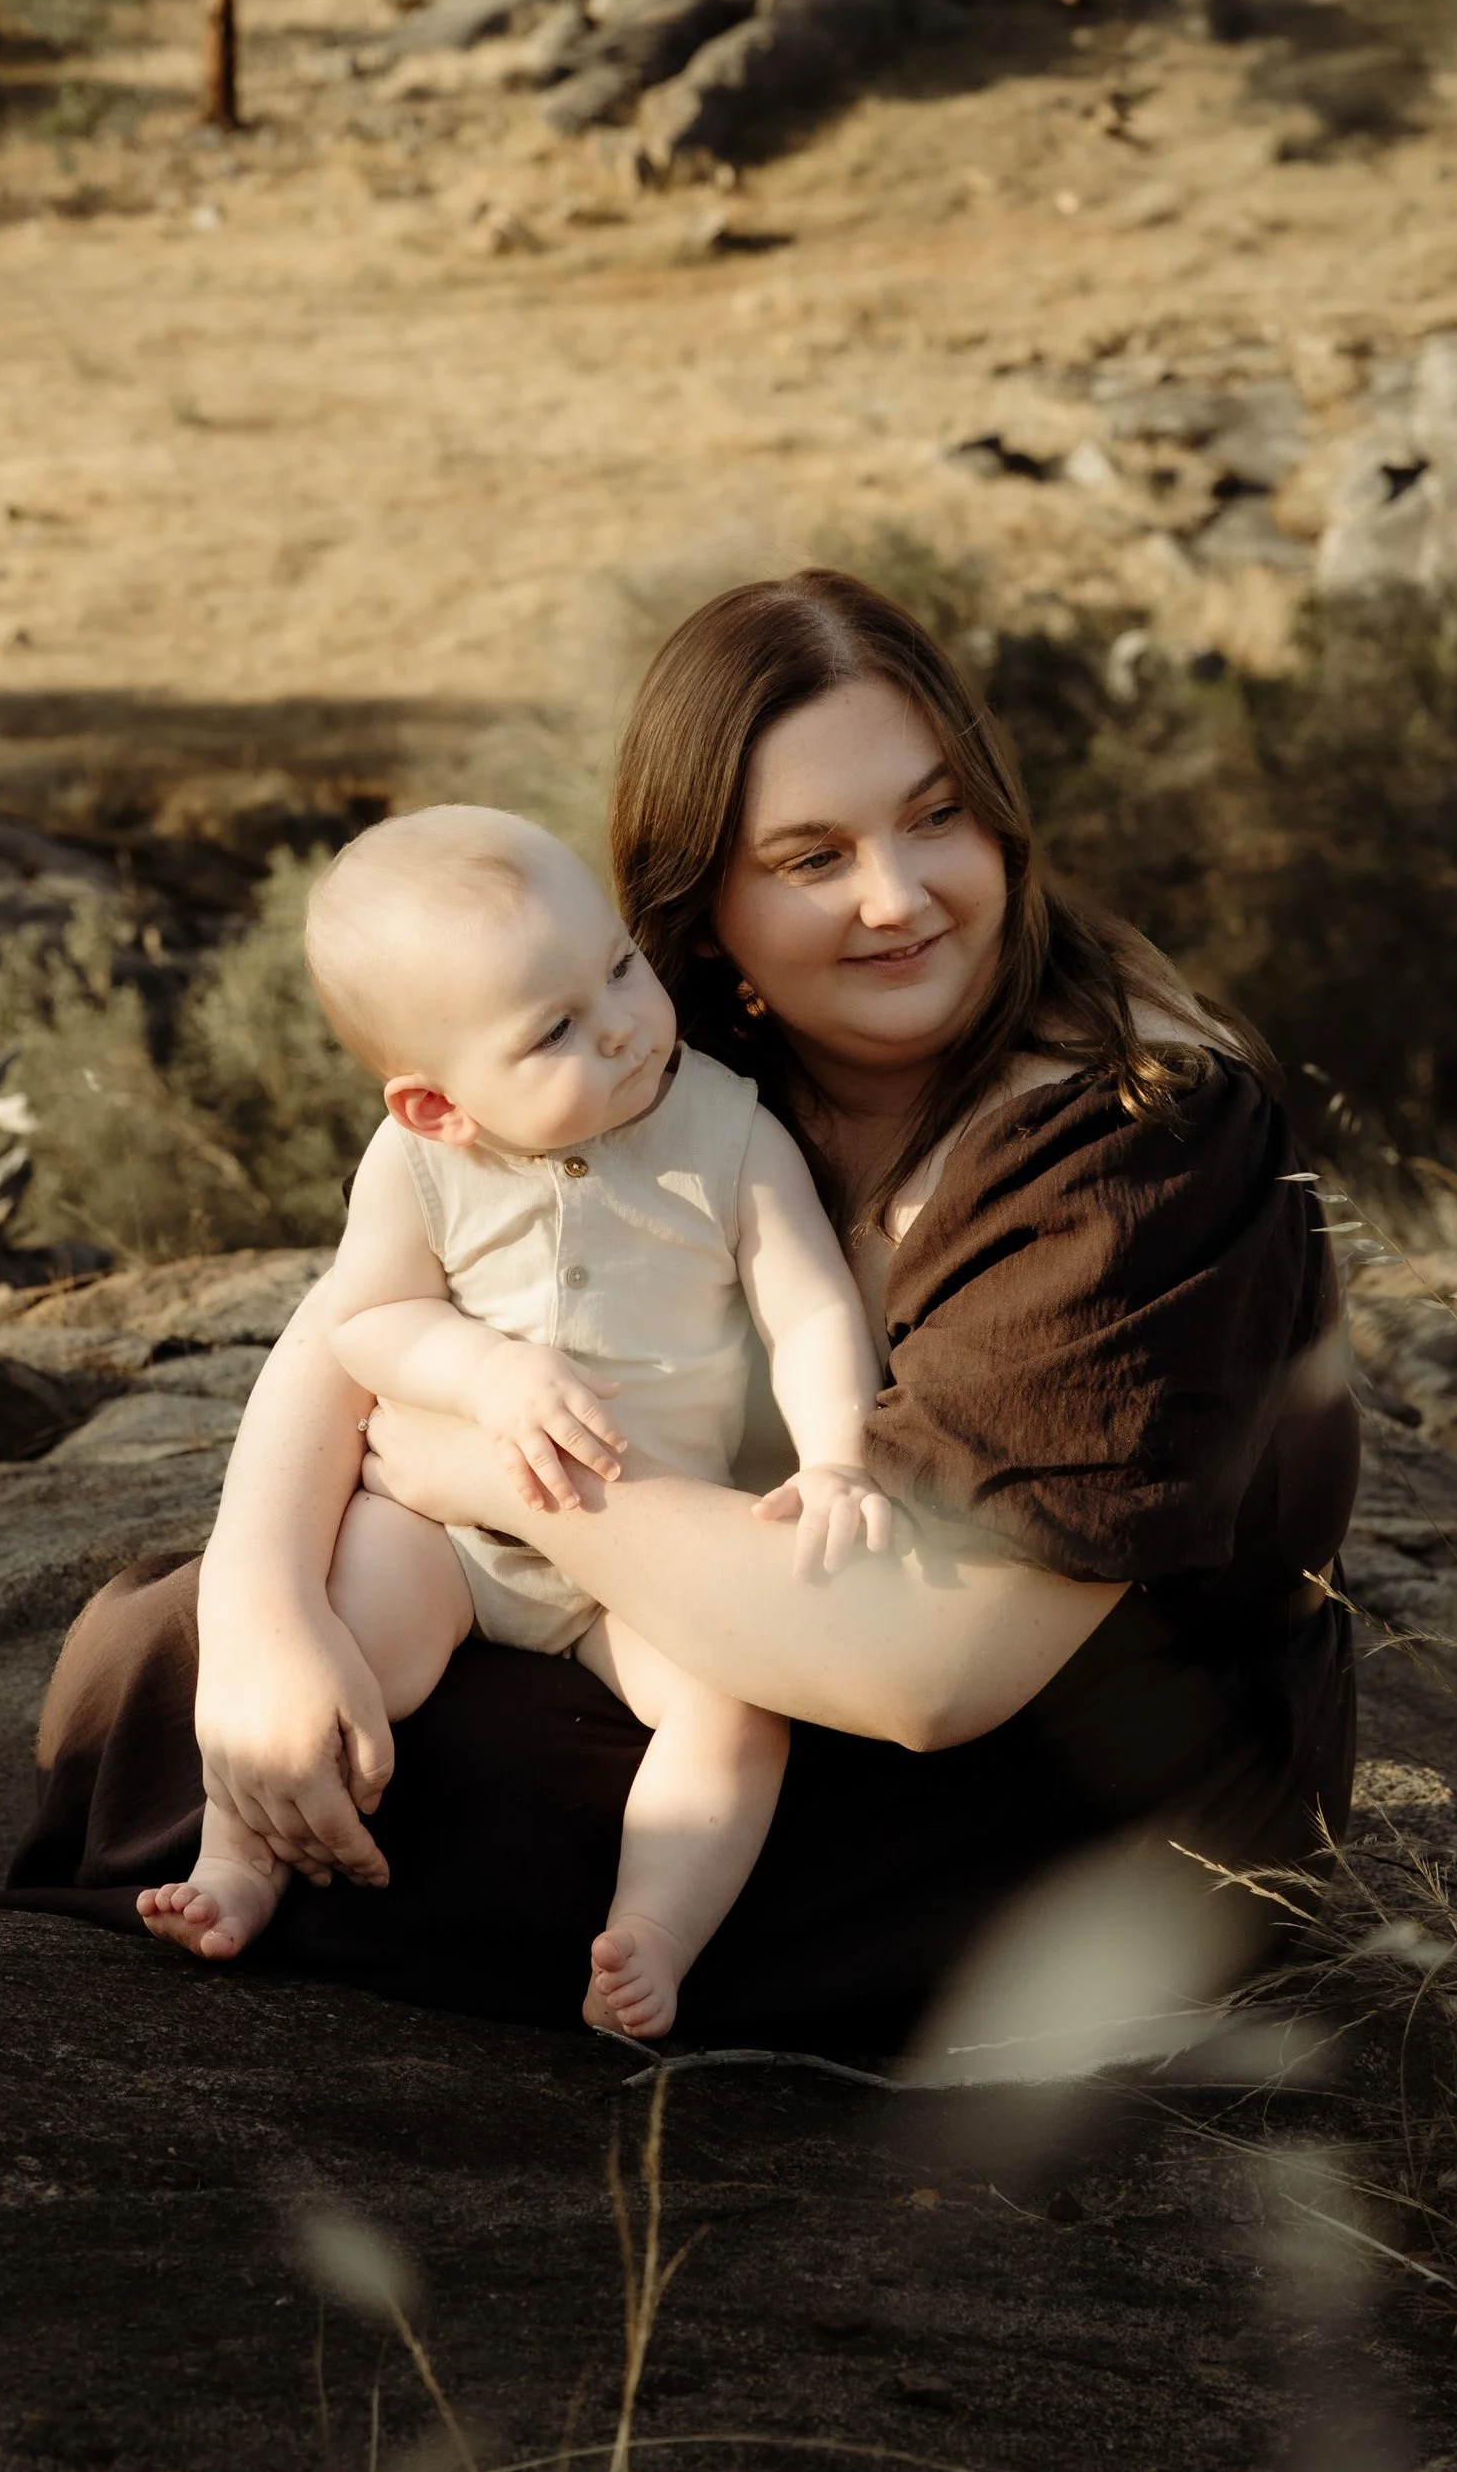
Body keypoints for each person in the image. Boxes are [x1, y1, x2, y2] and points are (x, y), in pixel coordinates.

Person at [0, 571, 1358, 2056]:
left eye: (938, 815)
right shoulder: (652, 1047)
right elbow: (359, 1316)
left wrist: (488, 1475)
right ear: (706, 898)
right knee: (179, 1650)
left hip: (1049, 1767)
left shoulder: (1136, 1132)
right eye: (811, 855)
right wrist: (266, 1618)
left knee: (460, 1784)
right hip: (728, 1614)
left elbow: (928, 1667)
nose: (897, 896)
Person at [134, 803, 893, 2039]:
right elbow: (366, 1321)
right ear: (437, 1106)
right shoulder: (416, 1166)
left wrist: (838, 1460)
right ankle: (241, 1857)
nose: (623, 1026)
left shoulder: (727, 1128)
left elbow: (809, 1312)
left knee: (737, 1706)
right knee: (339, 1645)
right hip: (453, 1534)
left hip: (655, 1558)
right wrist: (484, 1372)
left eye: (618, 969)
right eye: (555, 1031)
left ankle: (651, 1930)